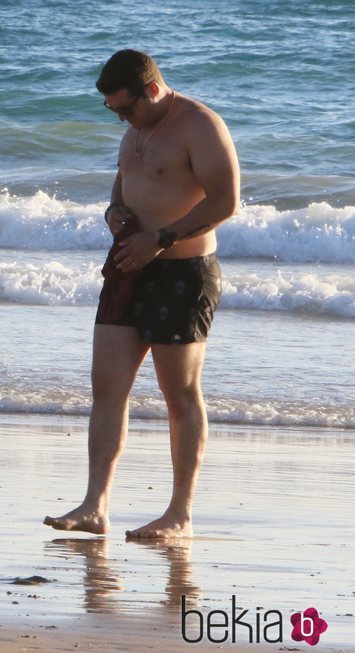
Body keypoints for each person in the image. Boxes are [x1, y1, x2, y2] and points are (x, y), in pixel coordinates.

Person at [44, 49, 239, 538]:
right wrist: (114, 213)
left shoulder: (200, 125)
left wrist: (162, 238)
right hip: (128, 267)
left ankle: (180, 514)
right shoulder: (136, 126)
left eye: (125, 109)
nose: (121, 118)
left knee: (180, 395)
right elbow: (123, 185)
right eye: (113, 111)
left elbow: (226, 200)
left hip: (182, 272)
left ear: (151, 90)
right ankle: (95, 505)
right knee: (106, 389)